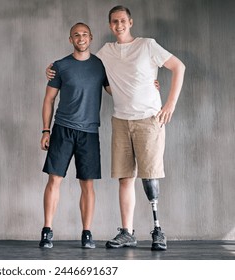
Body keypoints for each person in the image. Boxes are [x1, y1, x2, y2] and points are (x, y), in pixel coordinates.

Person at [46, 6, 185, 251]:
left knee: (149, 177)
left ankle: (158, 230)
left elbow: (178, 67)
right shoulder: (105, 53)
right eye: (114, 21)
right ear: (109, 25)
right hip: (120, 120)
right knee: (125, 178)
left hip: (147, 119)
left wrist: (169, 103)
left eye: (122, 20)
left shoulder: (147, 45)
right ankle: (127, 232)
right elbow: (84, 64)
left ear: (130, 22)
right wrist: (52, 69)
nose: (118, 25)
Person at [39, 22, 110, 249]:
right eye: (76, 35)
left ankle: (87, 233)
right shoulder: (60, 66)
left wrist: (150, 85)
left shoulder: (101, 66)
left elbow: (119, 89)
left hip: (89, 132)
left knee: (87, 184)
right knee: (54, 180)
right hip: (62, 129)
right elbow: (49, 100)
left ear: (91, 38)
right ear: (71, 39)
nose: (81, 38)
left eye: (85, 35)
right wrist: (45, 130)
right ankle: (47, 231)